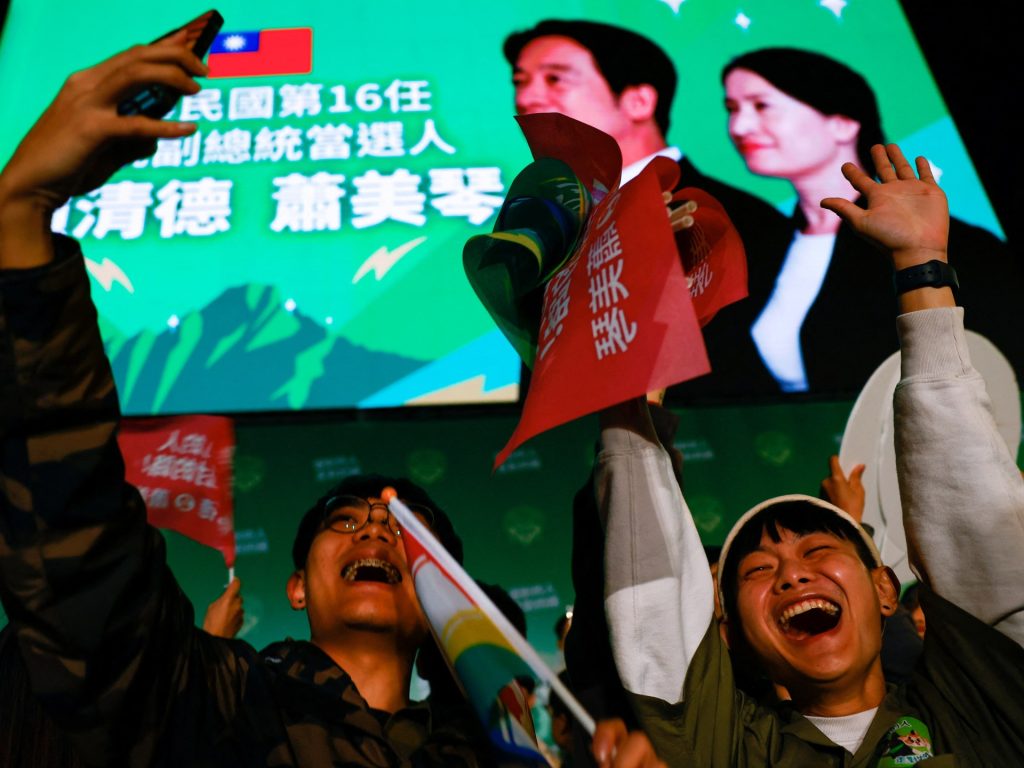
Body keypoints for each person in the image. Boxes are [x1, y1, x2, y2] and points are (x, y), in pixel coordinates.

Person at [0, 33, 663, 768]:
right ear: (295, 587)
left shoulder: (504, 755)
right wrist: (23, 214)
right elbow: (85, 570)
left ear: (445, 603)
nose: (377, 525)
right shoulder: (216, 712)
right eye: (345, 520)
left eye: (410, 535)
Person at [593, 144, 1024, 765]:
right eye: (757, 571)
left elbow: (975, 538)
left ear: (884, 589)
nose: (792, 575)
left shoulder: (982, 712)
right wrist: (636, 366)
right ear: (732, 636)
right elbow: (653, 609)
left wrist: (921, 267)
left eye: (819, 551)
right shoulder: (727, 750)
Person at [503, 19, 793, 398]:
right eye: (520, 81)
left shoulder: (740, 218)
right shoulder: (548, 223)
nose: (527, 99)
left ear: (638, 101)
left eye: (555, 79)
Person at [721, 47, 1024, 394]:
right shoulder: (763, 245)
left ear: (842, 123)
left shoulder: (954, 245)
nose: (739, 127)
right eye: (732, 109)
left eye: (761, 106)